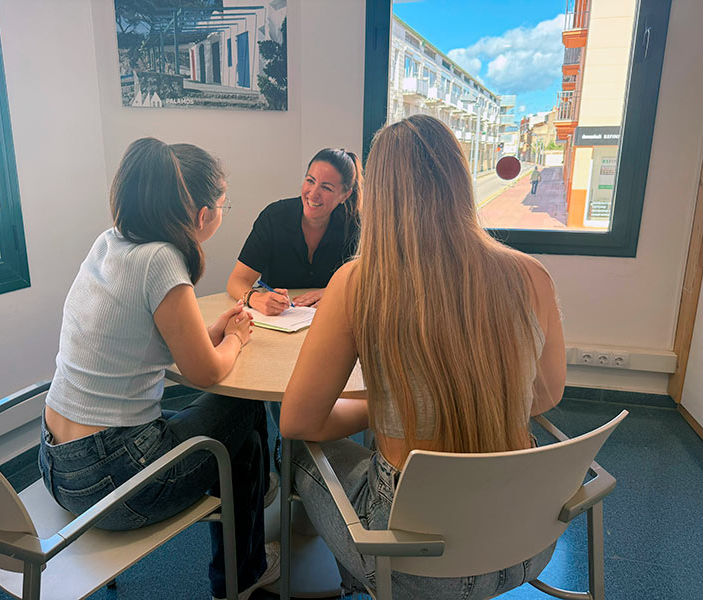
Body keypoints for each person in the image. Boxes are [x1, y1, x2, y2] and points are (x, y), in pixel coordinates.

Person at [280, 115, 566, 599]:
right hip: (525, 543)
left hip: (411, 562)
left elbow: (298, 421)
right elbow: (545, 394)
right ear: (460, 180)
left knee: (292, 454)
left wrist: (391, 406)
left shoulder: (357, 282)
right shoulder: (531, 275)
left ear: (378, 196)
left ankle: (355, 581)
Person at [39, 138, 279, 600]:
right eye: (224, 206)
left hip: (55, 463)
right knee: (246, 410)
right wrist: (234, 338)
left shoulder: (109, 244)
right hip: (113, 479)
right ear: (204, 215)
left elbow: (145, 340)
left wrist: (211, 330)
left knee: (241, 446)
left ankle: (246, 550)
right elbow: (207, 374)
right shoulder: (162, 260)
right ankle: (248, 548)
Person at [226, 148, 362, 315]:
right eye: (310, 181)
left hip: (330, 319)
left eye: (326, 188)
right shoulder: (274, 217)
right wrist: (254, 298)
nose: (313, 193)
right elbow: (237, 280)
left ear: (345, 195)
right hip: (276, 321)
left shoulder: (355, 225)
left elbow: (369, 281)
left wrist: (332, 291)